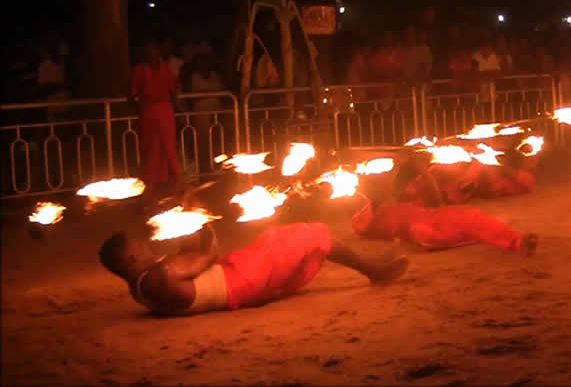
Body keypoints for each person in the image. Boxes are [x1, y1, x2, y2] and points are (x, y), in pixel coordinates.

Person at [99, 223, 409, 316]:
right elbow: (206, 257)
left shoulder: (140, 286)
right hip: (240, 280)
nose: (145, 245)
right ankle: (373, 270)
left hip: (236, 278)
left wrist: (188, 244)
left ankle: (371, 266)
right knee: (314, 234)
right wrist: (205, 233)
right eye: (137, 246)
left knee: (280, 236)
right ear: (130, 260)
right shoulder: (154, 278)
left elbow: (186, 268)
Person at [352, 195, 538, 255]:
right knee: (469, 228)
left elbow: (436, 198)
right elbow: (364, 226)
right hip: (425, 230)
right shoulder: (371, 222)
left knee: (473, 219)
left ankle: (516, 240)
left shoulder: (396, 204)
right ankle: (517, 242)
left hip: (436, 217)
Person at [130, 39, 181, 197]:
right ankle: (150, 186)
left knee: (168, 147)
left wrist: (174, 101)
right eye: (148, 50)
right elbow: (132, 93)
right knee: (150, 149)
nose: (151, 53)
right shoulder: (139, 70)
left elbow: (174, 86)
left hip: (165, 112)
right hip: (149, 113)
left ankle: (174, 183)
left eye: (154, 49)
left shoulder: (164, 67)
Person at [188, 53, 225, 172]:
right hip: (201, 115)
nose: (204, 65)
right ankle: (204, 169)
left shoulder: (215, 76)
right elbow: (195, 95)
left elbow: (220, 92)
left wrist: (206, 93)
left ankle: (218, 168)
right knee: (203, 142)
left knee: (216, 141)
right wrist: (210, 93)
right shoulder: (194, 77)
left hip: (216, 114)